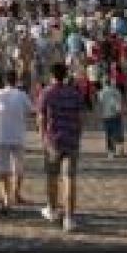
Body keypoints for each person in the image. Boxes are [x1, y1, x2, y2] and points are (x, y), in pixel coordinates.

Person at [38, 62, 83, 232]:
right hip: (71, 138)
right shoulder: (74, 93)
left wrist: (43, 137)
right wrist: (77, 135)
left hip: (53, 140)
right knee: (69, 179)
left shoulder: (47, 93)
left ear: (52, 75)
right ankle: (69, 218)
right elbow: (80, 118)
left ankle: (52, 208)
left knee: (52, 176)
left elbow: (41, 118)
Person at [0, 69, 34, 211]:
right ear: (16, 81)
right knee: (18, 168)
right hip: (18, 135)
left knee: (3, 168)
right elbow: (31, 110)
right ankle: (16, 193)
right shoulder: (22, 95)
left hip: (2, 134)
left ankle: (6, 197)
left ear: (4, 81)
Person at [97, 78, 126, 159]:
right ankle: (120, 149)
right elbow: (120, 102)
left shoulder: (101, 93)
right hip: (116, 114)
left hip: (106, 116)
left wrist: (100, 115)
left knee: (108, 134)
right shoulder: (117, 91)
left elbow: (100, 105)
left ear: (104, 83)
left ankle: (110, 151)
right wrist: (121, 111)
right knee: (118, 131)